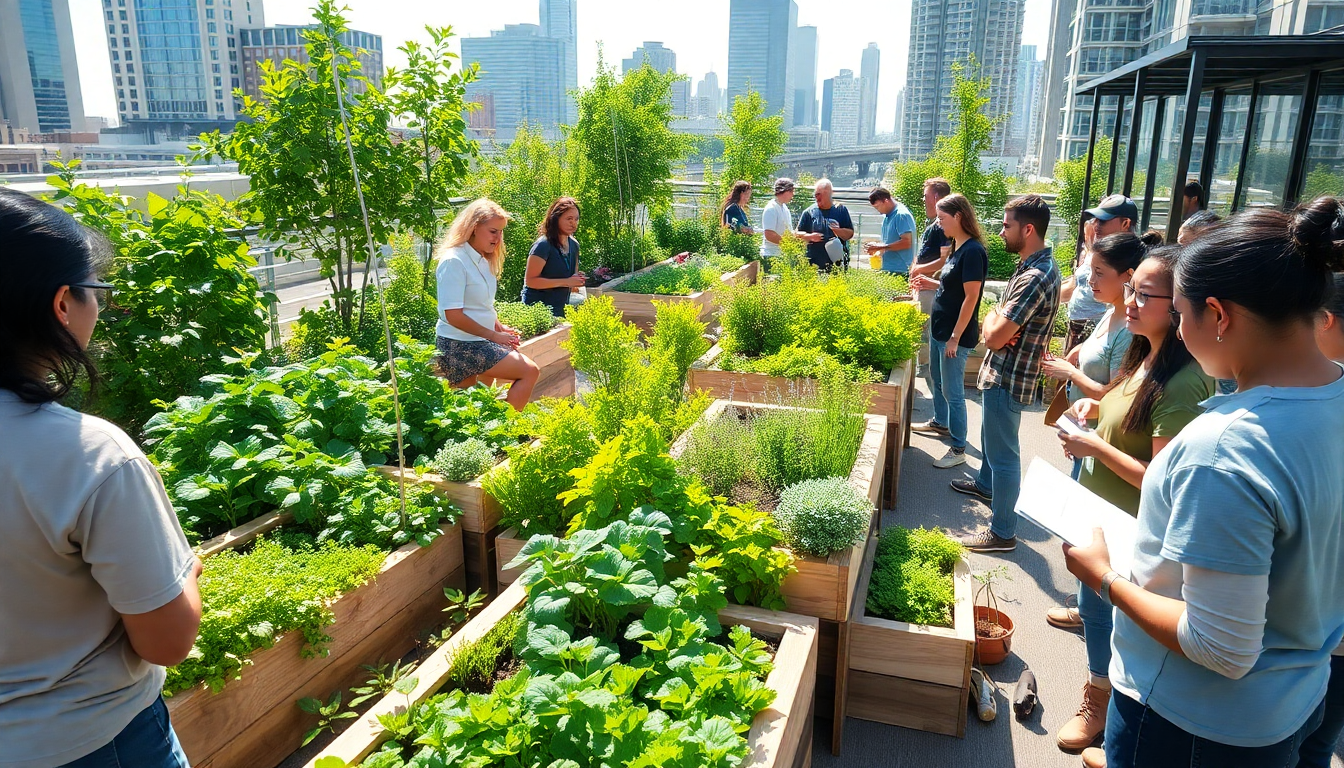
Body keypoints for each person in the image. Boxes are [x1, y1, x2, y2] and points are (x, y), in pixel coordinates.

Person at [1063, 198, 1344, 768]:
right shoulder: (1331, 397)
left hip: (1193, 722)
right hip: (1289, 699)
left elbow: (1219, 646)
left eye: (1182, 313)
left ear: (1218, 314)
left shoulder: (1226, 448)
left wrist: (1105, 577)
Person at [0, 188, 203, 766]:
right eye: (98, 292)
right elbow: (167, 641)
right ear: (62, 303)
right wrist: (185, 570)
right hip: (90, 741)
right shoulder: (87, 454)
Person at [1048, 246, 1214, 758]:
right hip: (1102, 516)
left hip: (1132, 532)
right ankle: (1104, 700)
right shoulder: (1144, 353)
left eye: (1145, 294)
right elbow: (1126, 411)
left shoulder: (1184, 383)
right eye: (1131, 291)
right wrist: (1096, 406)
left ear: (1180, 303)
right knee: (1094, 612)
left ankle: (1103, 707)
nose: (1132, 303)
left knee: (1116, 623)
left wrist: (1095, 445)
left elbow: (1162, 483)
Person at [951, 195, 1061, 553]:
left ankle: (1002, 532)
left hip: (1008, 376)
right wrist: (994, 317)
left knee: (1004, 456)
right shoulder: (1035, 265)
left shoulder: (1035, 275)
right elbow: (994, 319)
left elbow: (995, 336)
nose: (999, 232)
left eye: (1006, 225)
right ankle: (986, 485)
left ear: (1028, 229)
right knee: (995, 445)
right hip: (1003, 372)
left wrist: (992, 323)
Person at [1042, 233, 1144, 478]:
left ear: (1128, 276)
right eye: (1090, 271)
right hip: (1085, 434)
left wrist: (1070, 373)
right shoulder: (1111, 312)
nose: (1090, 280)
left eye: (1099, 272)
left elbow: (1113, 397)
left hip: (1100, 443)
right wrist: (1080, 350)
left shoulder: (1129, 330)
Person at [1298, 271, 1344, 768]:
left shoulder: (1320, 399)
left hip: (1318, 624)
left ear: (1325, 320)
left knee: (1307, 737)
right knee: (1319, 740)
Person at [437, 198, 540, 411]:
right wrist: (493, 336)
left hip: (476, 342)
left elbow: (482, 305)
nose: (498, 238)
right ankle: (509, 432)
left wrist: (499, 328)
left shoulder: (482, 259)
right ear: (474, 228)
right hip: (459, 346)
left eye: (501, 232)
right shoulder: (454, 261)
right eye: (494, 231)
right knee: (529, 371)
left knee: (473, 406)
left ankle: (496, 435)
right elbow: (452, 315)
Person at [909, 193, 987, 469]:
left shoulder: (974, 251)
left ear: (959, 217)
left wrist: (955, 337)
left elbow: (971, 297)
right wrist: (931, 283)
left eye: (943, 218)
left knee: (954, 392)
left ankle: (958, 448)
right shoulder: (956, 247)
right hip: (940, 330)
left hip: (955, 336)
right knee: (938, 380)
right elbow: (950, 287)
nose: (939, 224)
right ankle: (941, 422)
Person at [1062, 196, 1138, 352]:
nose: (1095, 224)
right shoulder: (1098, 249)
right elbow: (1076, 284)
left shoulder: (1132, 258)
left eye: (1103, 220)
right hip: (1081, 329)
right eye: (1095, 219)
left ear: (1125, 223)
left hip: (1104, 334)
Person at [911, 177, 955, 379]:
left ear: (936, 197)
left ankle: (927, 371)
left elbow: (944, 261)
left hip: (931, 287)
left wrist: (919, 270)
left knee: (925, 330)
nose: (923, 199)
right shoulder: (935, 224)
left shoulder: (943, 226)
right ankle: (927, 369)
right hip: (924, 284)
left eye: (925, 195)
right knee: (923, 328)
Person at [523, 197, 586, 318]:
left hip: (561, 310)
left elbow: (569, 280)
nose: (574, 223)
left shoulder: (574, 245)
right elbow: (530, 281)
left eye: (576, 219)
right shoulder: (543, 245)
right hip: (537, 312)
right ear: (555, 219)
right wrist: (566, 282)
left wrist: (576, 281)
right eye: (569, 219)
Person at [797, 178, 854, 272]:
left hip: (837, 264)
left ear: (829, 193)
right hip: (814, 265)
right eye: (815, 194)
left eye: (819, 194)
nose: (817, 197)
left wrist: (837, 231)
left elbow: (850, 234)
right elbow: (796, 234)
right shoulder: (809, 212)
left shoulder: (841, 210)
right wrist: (810, 237)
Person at [864, 186, 917, 276]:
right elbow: (890, 241)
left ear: (886, 201)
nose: (878, 211)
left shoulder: (901, 215)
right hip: (889, 269)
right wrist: (876, 248)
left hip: (901, 270)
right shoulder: (887, 216)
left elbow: (907, 242)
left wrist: (881, 247)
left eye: (878, 207)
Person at [761, 178, 811, 266]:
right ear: (785, 191)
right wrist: (789, 244)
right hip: (772, 255)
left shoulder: (784, 208)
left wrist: (803, 236)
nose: (793, 195)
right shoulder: (771, 208)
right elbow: (769, 234)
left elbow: (787, 232)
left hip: (782, 255)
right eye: (792, 191)